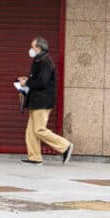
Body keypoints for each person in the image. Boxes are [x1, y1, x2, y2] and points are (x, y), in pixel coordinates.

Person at [17, 37, 73, 165]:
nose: (30, 50)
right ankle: (35, 158)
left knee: (39, 130)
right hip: (36, 101)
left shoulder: (45, 61)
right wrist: (28, 80)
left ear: (38, 48)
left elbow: (42, 82)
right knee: (31, 132)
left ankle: (65, 146)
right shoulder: (39, 60)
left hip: (42, 102)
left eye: (32, 47)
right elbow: (38, 80)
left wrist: (27, 82)